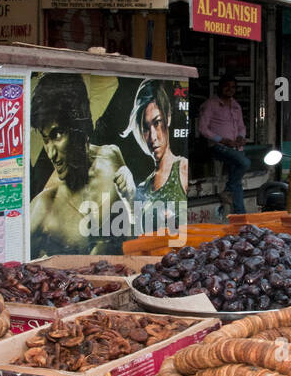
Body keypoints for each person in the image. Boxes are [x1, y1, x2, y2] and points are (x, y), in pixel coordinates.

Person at [29, 73, 135, 256]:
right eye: (45, 139)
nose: (51, 153)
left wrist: (132, 197)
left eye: (57, 135)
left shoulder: (111, 156)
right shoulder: (43, 207)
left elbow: (134, 232)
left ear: (79, 124)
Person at [122, 80, 188, 235]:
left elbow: (186, 230)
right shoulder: (143, 187)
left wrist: (170, 219)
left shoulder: (182, 169)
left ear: (168, 117)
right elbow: (136, 236)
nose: (152, 137)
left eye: (157, 122)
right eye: (145, 128)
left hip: (177, 254)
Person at [197, 73, 249, 215]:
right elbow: (202, 128)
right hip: (218, 147)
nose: (230, 89)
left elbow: (241, 127)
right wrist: (221, 140)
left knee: (237, 181)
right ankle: (228, 190)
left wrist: (241, 137)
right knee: (244, 163)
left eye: (233, 87)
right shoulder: (210, 104)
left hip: (235, 147)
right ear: (219, 87)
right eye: (226, 86)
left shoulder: (236, 105)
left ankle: (240, 215)